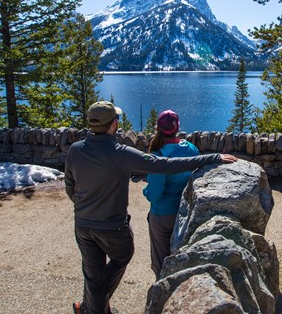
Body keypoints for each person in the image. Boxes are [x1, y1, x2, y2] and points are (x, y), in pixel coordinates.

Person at [65, 101, 237, 314]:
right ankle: (94, 307)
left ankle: (91, 307)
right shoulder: (121, 153)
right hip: (111, 226)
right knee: (121, 257)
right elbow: (163, 165)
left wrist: (85, 207)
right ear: (114, 124)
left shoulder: (75, 150)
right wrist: (213, 157)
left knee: (93, 273)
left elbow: (70, 186)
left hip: (82, 224)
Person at [143, 110, 198, 278]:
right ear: (177, 128)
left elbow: (155, 194)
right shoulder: (191, 149)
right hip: (185, 211)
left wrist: (146, 191)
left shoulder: (158, 157)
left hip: (163, 215)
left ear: (158, 129)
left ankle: (161, 290)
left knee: (161, 260)